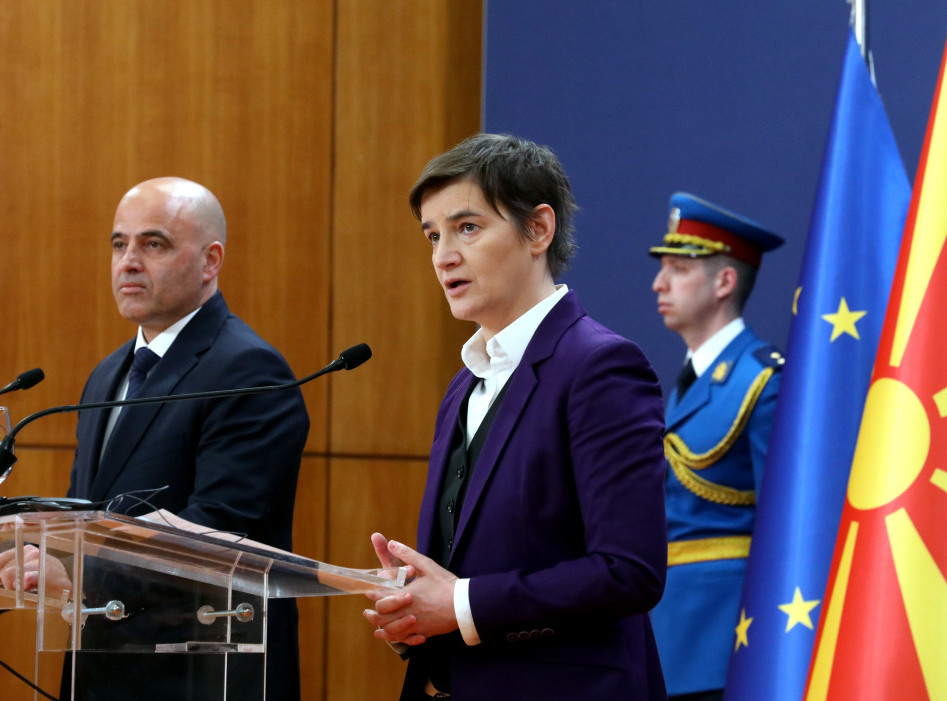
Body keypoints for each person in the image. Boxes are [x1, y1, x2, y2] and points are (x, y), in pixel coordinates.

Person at [362, 134, 668, 700]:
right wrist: (415, 610)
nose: (443, 256)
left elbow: (629, 570)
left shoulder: (600, 366)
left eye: (467, 228)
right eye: (433, 236)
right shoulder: (464, 384)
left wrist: (459, 604)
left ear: (538, 230)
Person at [63, 177, 309, 700]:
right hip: (102, 667)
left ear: (210, 261)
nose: (128, 262)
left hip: (203, 671)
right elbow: (85, 513)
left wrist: (73, 569)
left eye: (153, 244)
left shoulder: (249, 371)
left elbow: (216, 532)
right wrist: (40, 553)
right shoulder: (107, 374)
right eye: (119, 244)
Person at [647, 192, 784, 700]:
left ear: (724, 282)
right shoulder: (691, 382)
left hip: (727, 640)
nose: (659, 283)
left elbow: (784, 527)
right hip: (669, 634)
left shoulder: (762, 381)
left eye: (679, 269)